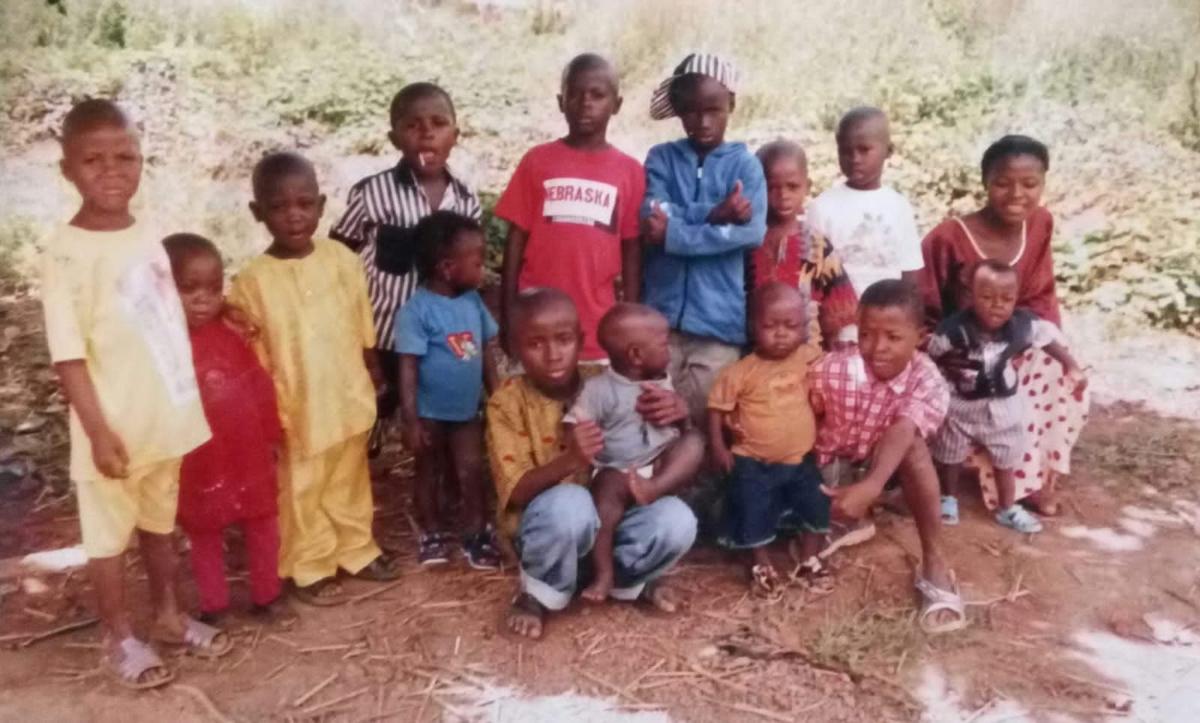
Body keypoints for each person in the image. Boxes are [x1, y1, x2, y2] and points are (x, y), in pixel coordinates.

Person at [40, 99, 229, 689]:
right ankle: (120, 635)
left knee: (158, 526)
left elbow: (161, 314)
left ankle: (170, 617)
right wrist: (97, 430)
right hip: (112, 429)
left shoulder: (146, 232)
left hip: (163, 420)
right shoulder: (64, 253)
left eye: (125, 157)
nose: (112, 171)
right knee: (106, 540)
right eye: (93, 160)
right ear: (67, 168)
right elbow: (68, 354)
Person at [230, 151, 401, 607]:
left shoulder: (343, 260)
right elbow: (252, 353)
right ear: (257, 212)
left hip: (345, 394)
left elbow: (362, 320)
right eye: (279, 207)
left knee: (349, 477)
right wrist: (265, 413)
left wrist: (373, 369)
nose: (294, 216)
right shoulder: (251, 281)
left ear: (322, 206)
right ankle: (309, 565)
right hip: (296, 404)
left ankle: (356, 549)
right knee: (300, 487)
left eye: (304, 204)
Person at [486, 289, 698, 640]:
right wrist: (570, 461)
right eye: (536, 344)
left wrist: (679, 414)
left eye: (564, 340)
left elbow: (665, 437)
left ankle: (625, 580)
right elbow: (515, 491)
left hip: (613, 526)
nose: (553, 355)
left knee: (677, 519)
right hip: (551, 535)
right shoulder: (506, 403)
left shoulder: (608, 379)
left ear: (581, 340)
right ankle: (539, 593)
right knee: (572, 503)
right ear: (514, 347)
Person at [920, 134, 1088, 516]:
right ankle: (946, 473)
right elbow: (925, 304)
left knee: (1055, 374)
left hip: (1015, 338)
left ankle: (1031, 481)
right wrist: (951, 349)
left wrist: (1029, 347)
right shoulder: (949, 236)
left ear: (1043, 183)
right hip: (962, 346)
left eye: (1030, 184)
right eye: (1002, 183)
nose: (1017, 195)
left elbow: (1041, 295)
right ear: (985, 183)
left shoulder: (1041, 223)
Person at [329, 82, 481, 454]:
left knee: (434, 418)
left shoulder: (465, 200)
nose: (426, 133)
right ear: (394, 137)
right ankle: (364, 466)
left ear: (455, 135)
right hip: (384, 334)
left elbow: (469, 272)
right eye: (412, 125)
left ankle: (431, 486)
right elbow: (338, 253)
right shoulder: (372, 194)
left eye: (438, 123)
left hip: (438, 337)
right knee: (373, 408)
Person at [809, 279, 966, 634]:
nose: (877, 348)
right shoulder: (835, 367)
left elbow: (903, 429)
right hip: (834, 462)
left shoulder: (927, 380)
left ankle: (935, 562)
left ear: (919, 337)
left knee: (911, 445)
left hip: (886, 468)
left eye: (893, 338)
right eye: (867, 334)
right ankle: (849, 517)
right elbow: (808, 415)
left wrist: (873, 485)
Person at [163, 233, 292, 623]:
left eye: (213, 288)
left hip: (246, 449)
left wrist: (271, 434)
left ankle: (266, 595)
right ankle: (213, 605)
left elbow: (258, 384)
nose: (203, 297)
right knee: (204, 531)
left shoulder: (233, 335)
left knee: (262, 520)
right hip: (199, 455)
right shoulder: (163, 346)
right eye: (188, 288)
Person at [641, 52, 767, 425]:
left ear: (731, 105)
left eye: (714, 109)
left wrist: (676, 233)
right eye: (692, 111)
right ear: (678, 111)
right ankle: (663, 483)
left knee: (705, 416)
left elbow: (749, 231)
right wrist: (714, 214)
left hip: (718, 325)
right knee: (657, 415)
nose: (704, 121)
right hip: (661, 319)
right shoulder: (661, 158)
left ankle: (704, 484)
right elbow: (651, 218)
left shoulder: (745, 165)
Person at [496, 53, 645, 363]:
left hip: (597, 329)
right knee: (535, 408)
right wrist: (509, 310)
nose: (585, 103)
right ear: (560, 101)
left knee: (590, 410)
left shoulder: (630, 171)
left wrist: (630, 314)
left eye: (597, 95)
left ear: (616, 104)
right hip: (537, 320)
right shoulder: (537, 161)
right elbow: (516, 238)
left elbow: (632, 248)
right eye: (575, 94)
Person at [927, 260, 1087, 533]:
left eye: (1006, 299)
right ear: (971, 296)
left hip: (1003, 404)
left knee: (1006, 458)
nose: (996, 305)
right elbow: (934, 352)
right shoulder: (954, 328)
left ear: (1016, 298)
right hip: (961, 402)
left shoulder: (1023, 325)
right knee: (950, 453)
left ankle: (1007, 508)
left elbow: (1048, 341)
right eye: (986, 297)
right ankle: (948, 499)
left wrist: (1070, 365)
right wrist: (944, 371)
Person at [563, 304, 704, 601]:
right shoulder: (601, 389)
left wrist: (681, 414)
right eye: (664, 344)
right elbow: (576, 421)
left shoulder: (662, 379)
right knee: (607, 487)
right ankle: (604, 574)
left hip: (659, 464)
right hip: (618, 470)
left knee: (694, 442)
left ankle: (654, 489)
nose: (670, 351)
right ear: (636, 355)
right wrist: (578, 435)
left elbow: (681, 429)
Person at [395, 211, 501, 568]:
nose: (483, 268)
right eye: (477, 261)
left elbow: (485, 351)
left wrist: (498, 398)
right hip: (429, 413)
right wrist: (411, 421)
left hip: (467, 413)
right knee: (429, 471)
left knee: (471, 470)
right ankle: (432, 532)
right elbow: (407, 367)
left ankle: (475, 533)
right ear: (446, 267)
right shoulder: (416, 310)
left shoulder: (473, 302)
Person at [707, 283, 827, 595]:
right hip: (753, 461)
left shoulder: (810, 357)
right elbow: (716, 410)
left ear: (804, 327)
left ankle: (810, 558)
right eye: (770, 326)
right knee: (753, 508)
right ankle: (761, 563)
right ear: (752, 326)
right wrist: (719, 447)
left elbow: (834, 379)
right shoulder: (741, 371)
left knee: (817, 502)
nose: (781, 333)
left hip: (802, 458)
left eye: (791, 326)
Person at [807, 106, 923, 343]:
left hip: (889, 327)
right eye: (846, 151)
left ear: (888, 151)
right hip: (842, 330)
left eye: (864, 150)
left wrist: (908, 324)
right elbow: (812, 277)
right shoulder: (823, 206)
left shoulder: (898, 206)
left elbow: (910, 276)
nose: (855, 159)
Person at [750, 140, 857, 347]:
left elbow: (839, 309)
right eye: (772, 188)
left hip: (807, 357)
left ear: (807, 186)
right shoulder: (746, 244)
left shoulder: (816, 247)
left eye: (792, 186)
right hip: (752, 357)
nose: (783, 196)